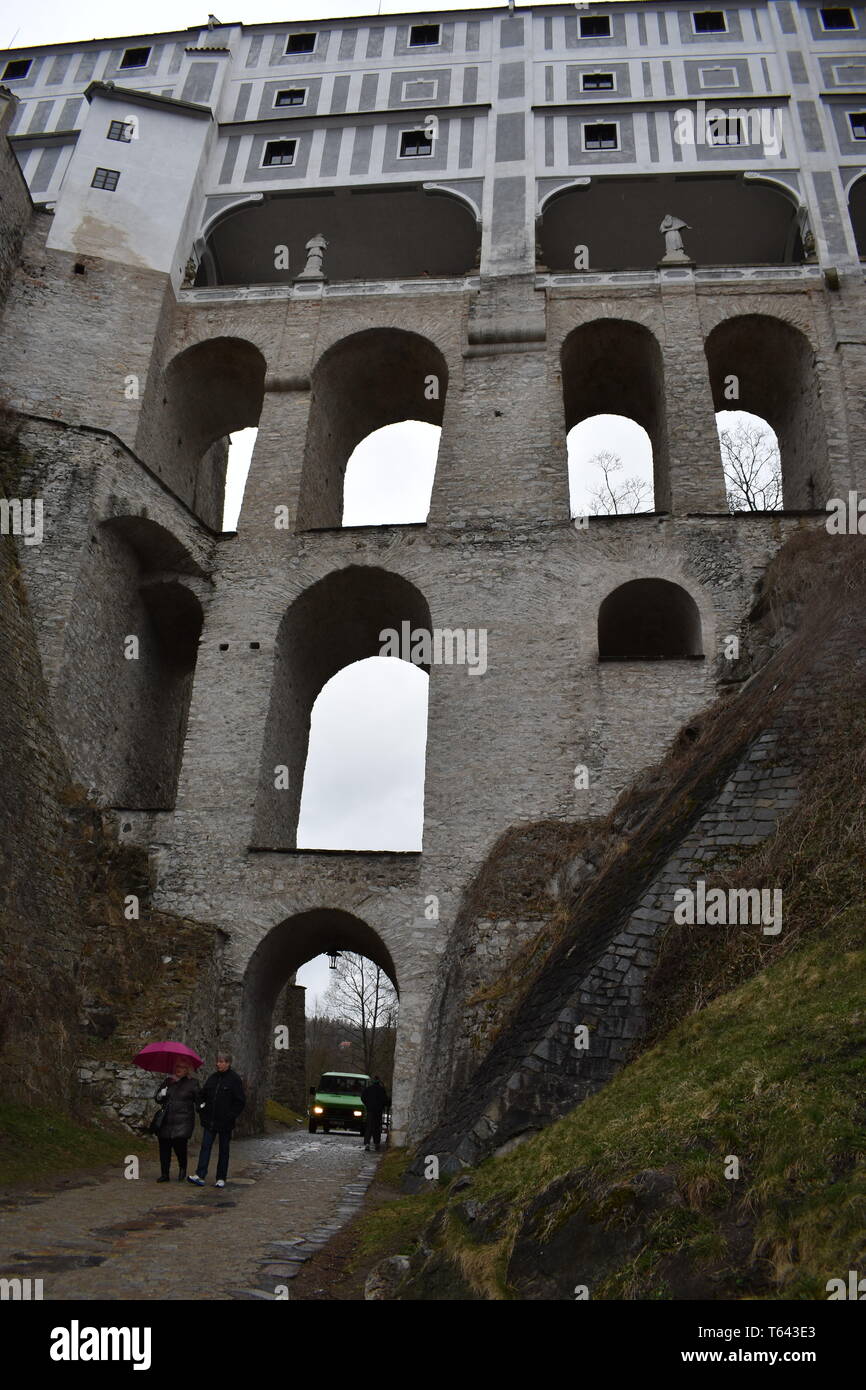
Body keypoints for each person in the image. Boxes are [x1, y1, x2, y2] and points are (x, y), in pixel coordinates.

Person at [187, 1052, 246, 1188]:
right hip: (210, 1120)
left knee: (224, 1150)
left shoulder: (234, 1079)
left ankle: (221, 1177)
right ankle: (200, 1175)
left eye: (221, 1061)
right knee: (205, 1147)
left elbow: (240, 1101)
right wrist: (200, 1106)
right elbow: (202, 1094)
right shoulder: (212, 1078)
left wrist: (230, 1116)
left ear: (228, 1063)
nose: (218, 1064)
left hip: (225, 1122)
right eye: (218, 1061)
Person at [154, 1060, 200, 1182]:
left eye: (183, 1067)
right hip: (166, 1120)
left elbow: (198, 1100)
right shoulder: (168, 1082)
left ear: (187, 1070)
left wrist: (202, 1107)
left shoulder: (193, 1083)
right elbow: (157, 1099)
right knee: (164, 1148)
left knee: (180, 1148)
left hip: (183, 1122)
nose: (179, 1069)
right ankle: (165, 1174)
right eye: (177, 1066)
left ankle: (182, 1169)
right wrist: (160, 1094)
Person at [360, 1076, 389, 1152]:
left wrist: (367, 1105)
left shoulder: (368, 1089)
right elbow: (385, 1100)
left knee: (369, 1127)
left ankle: (367, 1143)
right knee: (377, 1127)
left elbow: (363, 1097)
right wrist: (382, 1105)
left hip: (370, 1110)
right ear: (378, 1081)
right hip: (378, 1111)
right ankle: (376, 1143)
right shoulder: (382, 1090)